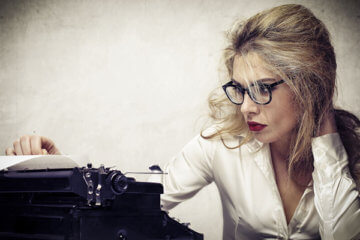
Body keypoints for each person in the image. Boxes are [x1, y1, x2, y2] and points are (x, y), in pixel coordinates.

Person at [5, 4, 360, 240]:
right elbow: (135, 206)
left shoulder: (352, 155)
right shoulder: (220, 145)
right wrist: (60, 173)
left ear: (310, 85)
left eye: (263, 89)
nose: (246, 108)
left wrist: (327, 140)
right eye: (239, 89)